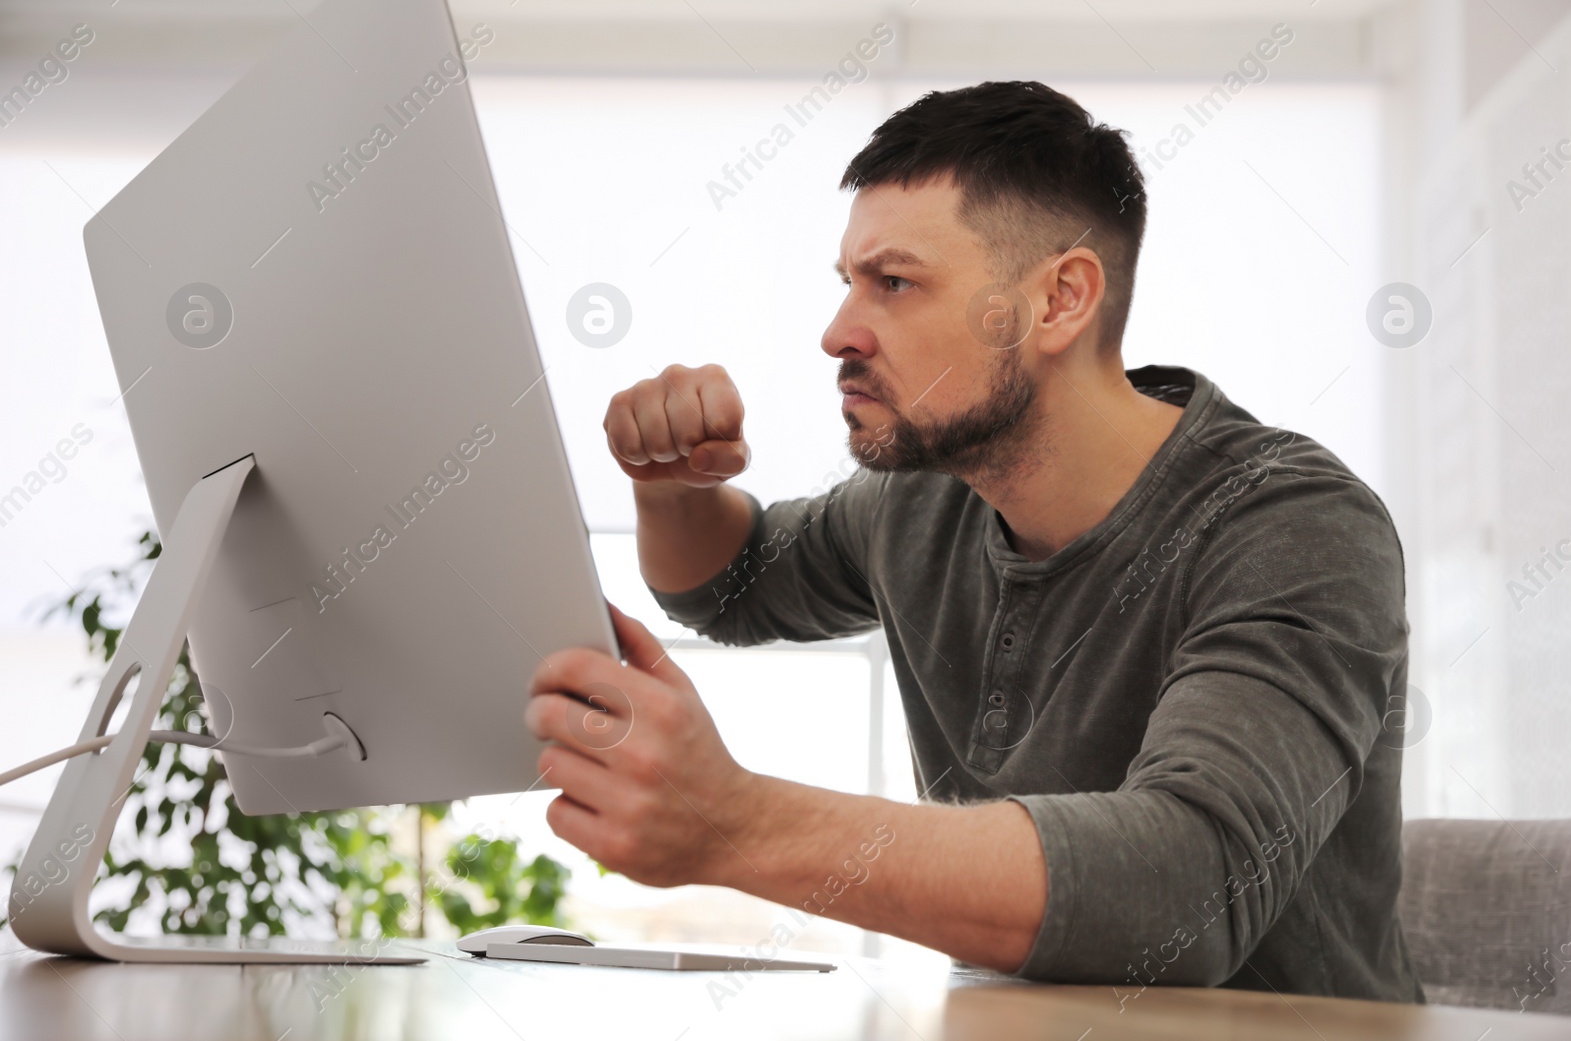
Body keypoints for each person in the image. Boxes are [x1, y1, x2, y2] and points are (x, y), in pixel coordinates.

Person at [523, 80, 1423, 1001]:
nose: (838, 331)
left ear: (1060, 300)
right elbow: (732, 586)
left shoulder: (1295, 526)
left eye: (896, 282)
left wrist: (737, 823)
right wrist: (672, 490)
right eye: (848, 283)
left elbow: (1188, 892)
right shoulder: (921, 500)